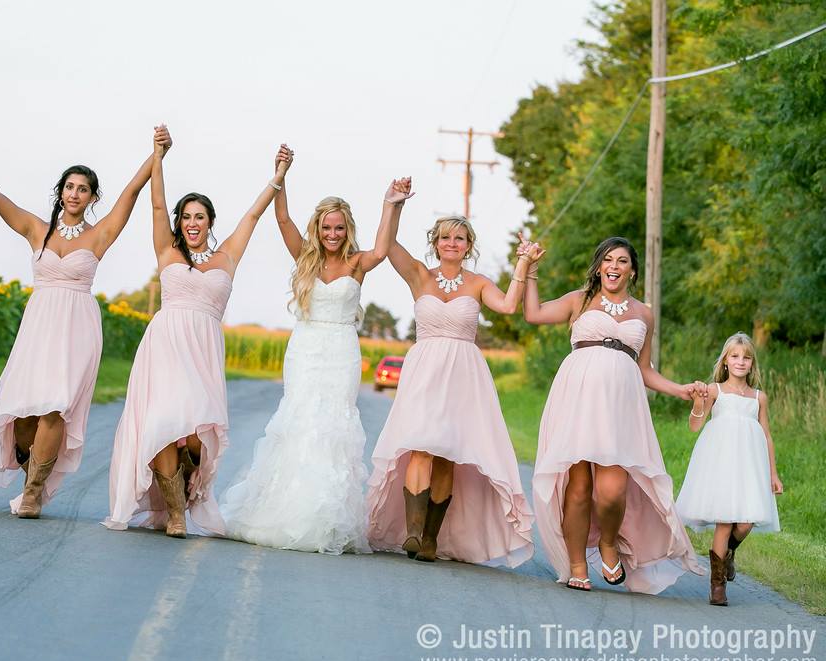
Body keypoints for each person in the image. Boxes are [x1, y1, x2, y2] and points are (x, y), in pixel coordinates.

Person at [0, 133, 158, 518]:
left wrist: (157, 154)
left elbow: (132, 191)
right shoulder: (36, 229)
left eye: (84, 189)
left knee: (56, 408)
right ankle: (31, 476)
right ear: (61, 193)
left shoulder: (100, 234)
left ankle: (32, 494)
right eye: (70, 187)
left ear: (92, 197)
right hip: (39, 326)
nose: (75, 194)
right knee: (24, 417)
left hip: (78, 328)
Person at [220, 149, 412, 555]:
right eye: (327, 227)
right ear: (319, 228)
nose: (332, 234)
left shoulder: (359, 263)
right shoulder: (305, 257)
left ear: (347, 229)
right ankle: (285, 509)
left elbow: (382, 248)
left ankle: (326, 517)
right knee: (300, 419)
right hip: (305, 348)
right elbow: (283, 220)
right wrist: (281, 175)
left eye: (339, 228)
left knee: (333, 427)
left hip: (342, 349)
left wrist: (390, 204)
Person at [104, 133, 292, 537]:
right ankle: (174, 516)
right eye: (186, 217)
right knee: (163, 427)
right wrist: (158, 156)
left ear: (210, 222)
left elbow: (253, 217)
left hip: (203, 352)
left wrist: (278, 176)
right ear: (180, 222)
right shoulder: (167, 251)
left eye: (199, 217)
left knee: (193, 437)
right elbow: (155, 203)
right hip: (165, 347)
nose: (192, 223)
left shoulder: (228, 255)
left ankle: (189, 478)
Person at [523, 235, 705, 593]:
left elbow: (645, 369)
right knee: (577, 488)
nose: (613, 267)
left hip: (620, 409)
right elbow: (533, 314)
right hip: (576, 400)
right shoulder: (580, 300)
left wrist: (679, 389)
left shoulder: (644, 314)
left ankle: (609, 543)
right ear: (599, 266)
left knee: (612, 491)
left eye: (622, 261)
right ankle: (577, 566)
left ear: (632, 271)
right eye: (607, 260)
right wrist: (530, 269)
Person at [366, 218, 539, 565]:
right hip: (424, 371)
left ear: (468, 246)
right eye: (445, 237)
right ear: (435, 242)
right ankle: (413, 531)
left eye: (460, 238)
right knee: (419, 447)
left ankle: (430, 537)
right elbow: (387, 245)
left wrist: (523, 262)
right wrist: (395, 206)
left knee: (448, 455)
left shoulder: (477, 283)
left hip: (463, 374)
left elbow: (506, 306)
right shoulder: (419, 275)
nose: (452, 243)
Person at [676, 332, 782, 606]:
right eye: (734, 356)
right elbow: (695, 426)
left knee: (746, 522)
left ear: (752, 363)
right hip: (721, 463)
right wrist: (699, 403)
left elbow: (767, 435)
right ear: (725, 360)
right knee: (724, 522)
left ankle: (728, 554)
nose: (740, 361)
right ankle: (717, 584)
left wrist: (772, 473)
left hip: (749, 466)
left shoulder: (759, 397)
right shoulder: (715, 390)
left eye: (746, 357)